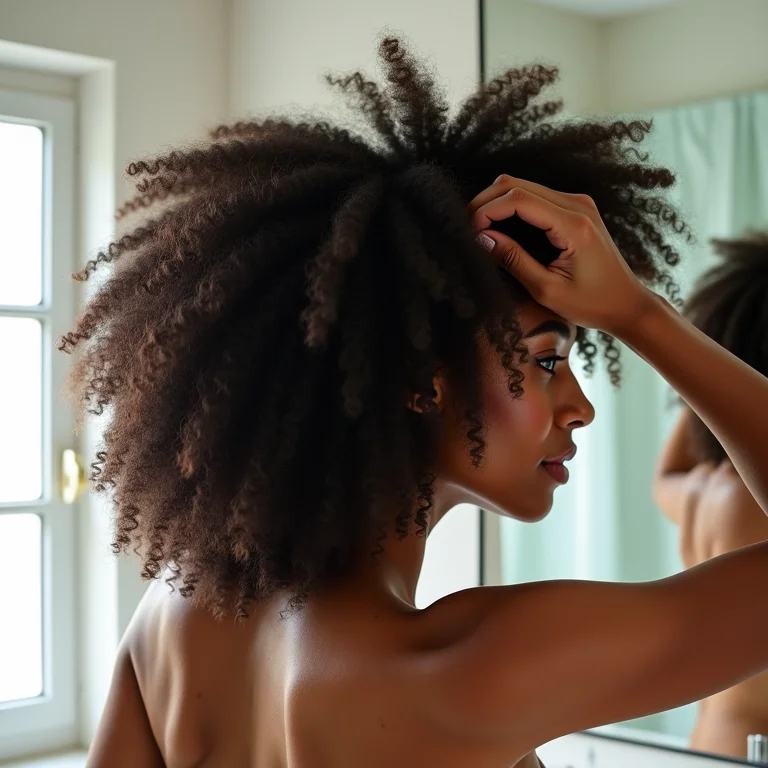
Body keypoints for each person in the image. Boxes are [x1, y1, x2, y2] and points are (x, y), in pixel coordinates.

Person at [64, 37, 768, 768]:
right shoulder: (475, 668)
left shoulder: (174, 617)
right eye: (549, 361)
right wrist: (636, 313)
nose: (580, 406)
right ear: (418, 381)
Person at [654, 232, 768, 760]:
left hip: (706, 745)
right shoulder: (754, 502)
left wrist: (714, 366)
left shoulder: (699, 489)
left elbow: (664, 474)